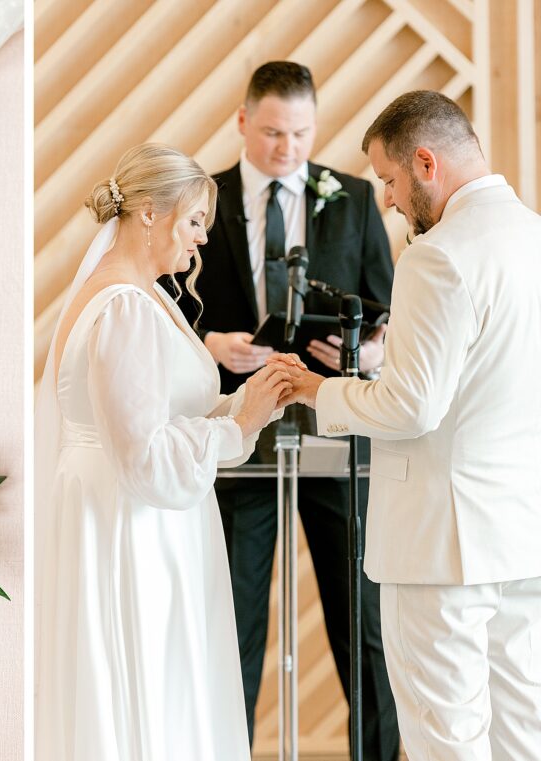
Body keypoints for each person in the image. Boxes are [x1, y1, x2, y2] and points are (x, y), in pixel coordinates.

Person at [277, 90, 541, 761]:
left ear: (426, 161)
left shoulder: (438, 255)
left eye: (389, 180)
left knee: (443, 736)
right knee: (522, 731)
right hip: (520, 533)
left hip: (439, 545)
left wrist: (323, 390)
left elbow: (411, 406)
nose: (388, 201)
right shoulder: (533, 237)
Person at [165, 60, 400, 758]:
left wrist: (359, 353)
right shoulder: (205, 193)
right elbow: (166, 298)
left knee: (361, 620)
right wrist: (211, 343)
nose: (287, 148)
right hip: (238, 436)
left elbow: (389, 316)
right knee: (233, 616)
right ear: (242, 122)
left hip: (336, 427)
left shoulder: (354, 197)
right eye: (272, 132)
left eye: (301, 134)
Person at [35, 143, 298, 759]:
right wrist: (236, 428)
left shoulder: (143, 295)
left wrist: (245, 404)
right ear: (149, 213)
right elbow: (145, 457)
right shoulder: (125, 306)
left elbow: (155, 417)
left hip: (130, 513)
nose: (202, 240)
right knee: (147, 683)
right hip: (133, 528)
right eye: (195, 222)